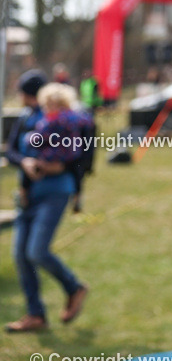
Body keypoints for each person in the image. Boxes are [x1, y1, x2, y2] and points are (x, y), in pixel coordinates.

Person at [5, 73, 88, 332]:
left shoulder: (65, 121)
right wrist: (26, 164)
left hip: (54, 191)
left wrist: (59, 170)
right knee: (21, 256)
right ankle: (36, 314)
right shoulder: (25, 118)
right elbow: (12, 151)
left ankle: (74, 288)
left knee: (37, 251)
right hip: (28, 192)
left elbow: (77, 157)